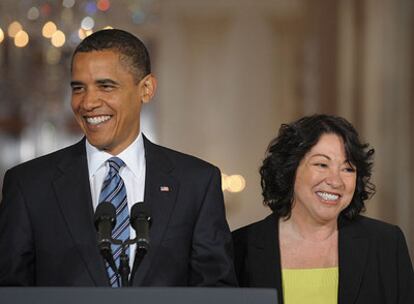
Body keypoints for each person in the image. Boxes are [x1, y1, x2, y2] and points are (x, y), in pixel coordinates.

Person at [0, 29, 236, 287]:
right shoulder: (29, 185)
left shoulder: (196, 183)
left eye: (105, 86)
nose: (87, 102)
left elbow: (216, 291)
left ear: (146, 89)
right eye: (79, 88)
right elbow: (11, 291)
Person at [233, 114, 414, 303]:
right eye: (322, 164)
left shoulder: (386, 243)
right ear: (290, 169)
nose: (335, 181)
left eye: (348, 168)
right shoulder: (239, 247)